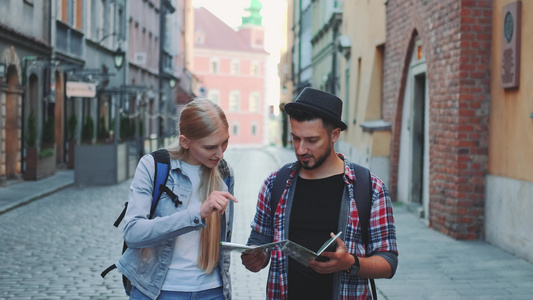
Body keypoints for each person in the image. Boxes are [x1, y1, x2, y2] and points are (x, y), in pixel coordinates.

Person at [241, 87, 398, 299]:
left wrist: (350, 263)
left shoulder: (369, 188)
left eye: (311, 140)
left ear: (334, 135)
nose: (300, 149)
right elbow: (258, 244)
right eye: (296, 138)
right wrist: (255, 259)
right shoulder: (274, 184)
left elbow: (388, 262)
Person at [116, 98, 238, 300]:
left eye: (224, 142)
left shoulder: (224, 172)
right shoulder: (154, 166)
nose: (220, 153)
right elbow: (133, 233)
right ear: (184, 142)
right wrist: (197, 214)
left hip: (212, 291)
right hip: (157, 291)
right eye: (209, 147)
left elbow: (223, 240)